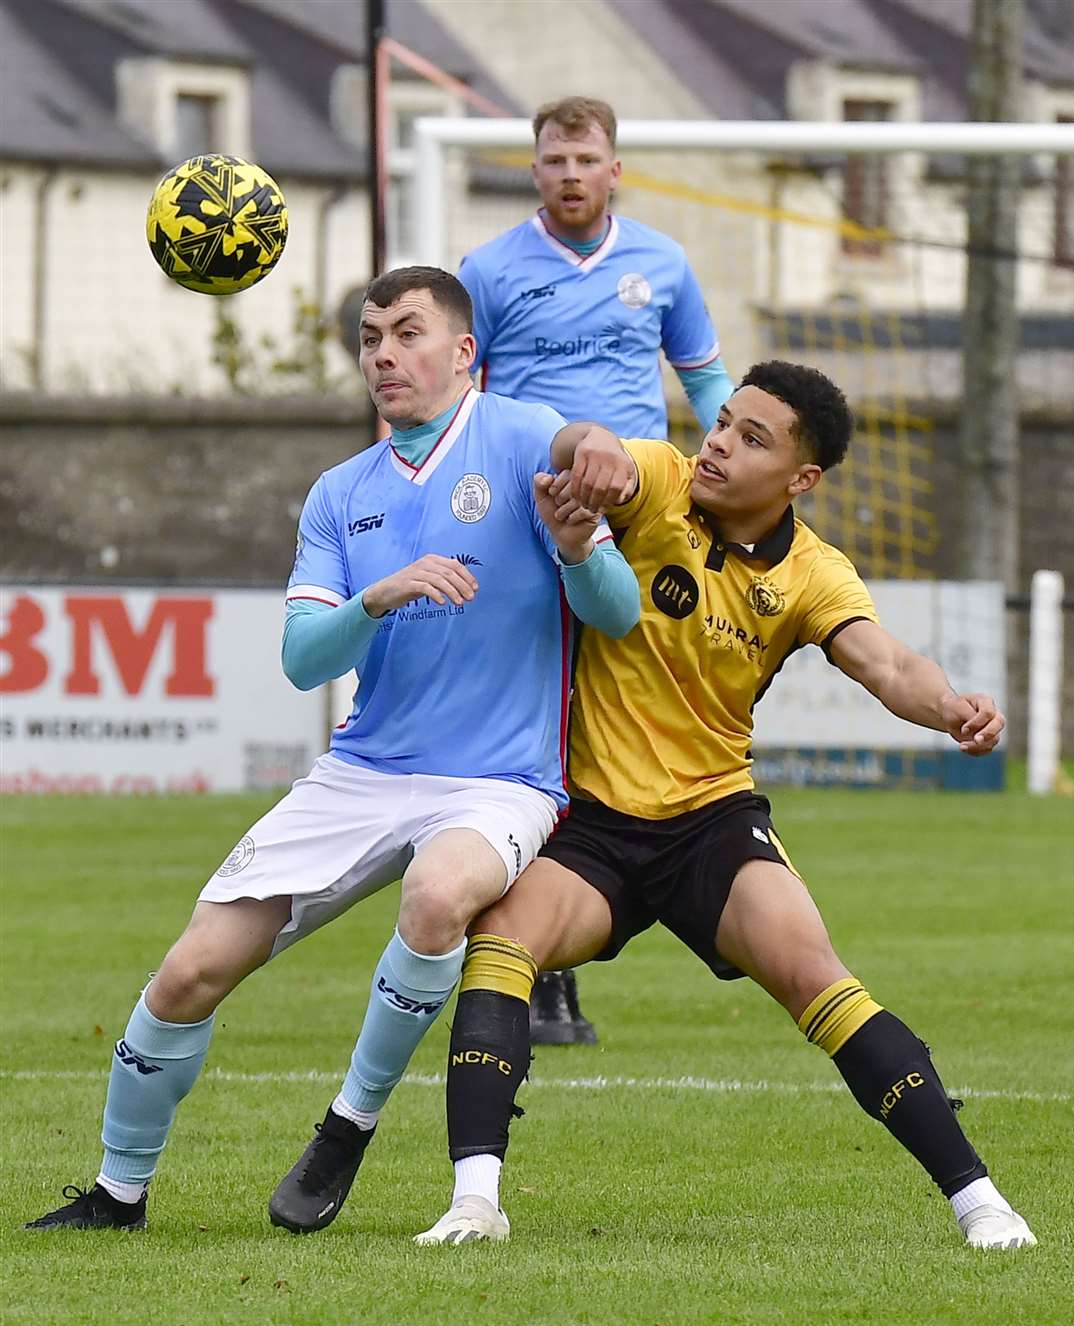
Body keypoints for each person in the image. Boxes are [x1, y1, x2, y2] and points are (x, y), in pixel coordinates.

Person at [25, 266, 640, 1234]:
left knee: (438, 897)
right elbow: (304, 660)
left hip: (501, 780)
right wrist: (379, 594)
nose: (384, 355)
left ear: (463, 352)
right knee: (188, 973)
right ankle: (116, 1193)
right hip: (362, 771)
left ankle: (346, 1128)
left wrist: (582, 530)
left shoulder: (522, 436)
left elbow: (618, 609)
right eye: (368, 338)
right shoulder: (339, 493)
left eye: (407, 333)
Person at [415, 360, 1036, 1252]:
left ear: (801, 478)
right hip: (590, 820)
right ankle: (476, 1203)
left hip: (711, 824)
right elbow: (605, 456)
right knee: (503, 943)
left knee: (816, 976)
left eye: (753, 439)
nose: (719, 445)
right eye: (722, 424)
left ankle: (982, 1204)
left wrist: (953, 710)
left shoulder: (815, 573)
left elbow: (887, 664)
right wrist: (589, 448)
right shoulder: (662, 482)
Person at [460, 94, 734, 1044]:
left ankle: (563, 944)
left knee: (618, 720)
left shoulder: (661, 262)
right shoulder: (488, 270)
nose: (570, 174)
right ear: (532, 170)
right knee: (544, 722)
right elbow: (454, 398)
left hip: (644, 519)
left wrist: (739, 469)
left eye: (585, 159)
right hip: (531, 519)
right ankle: (531, 954)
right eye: (552, 160)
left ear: (615, 169)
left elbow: (704, 379)